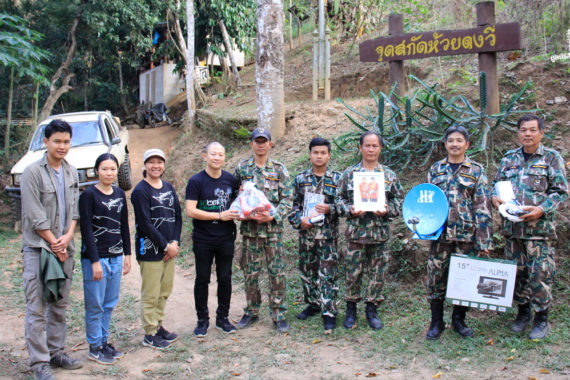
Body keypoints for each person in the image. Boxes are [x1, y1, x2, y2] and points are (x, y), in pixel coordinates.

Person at [491, 114, 568, 340]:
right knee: (517, 274)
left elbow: (560, 192)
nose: (528, 134)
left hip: (539, 232)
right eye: (524, 130)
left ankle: (541, 318)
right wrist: (495, 199)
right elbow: (497, 188)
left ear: (541, 133)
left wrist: (541, 209)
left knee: (540, 274)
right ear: (518, 133)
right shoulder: (508, 159)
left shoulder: (551, 158)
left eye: (533, 130)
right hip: (513, 231)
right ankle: (522, 313)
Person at [20, 119, 82, 380]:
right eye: (57, 141)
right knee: (37, 307)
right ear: (45, 142)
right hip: (38, 249)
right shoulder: (32, 172)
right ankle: (39, 364)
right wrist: (53, 242)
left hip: (65, 248)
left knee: (59, 303)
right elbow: (34, 215)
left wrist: (66, 237)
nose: (62, 146)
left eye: (66, 141)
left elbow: (75, 210)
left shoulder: (71, 171)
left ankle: (57, 352)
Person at [425, 125, 493, 340]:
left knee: (464, 279)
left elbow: (482, 207)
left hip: (466, 235)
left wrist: (484, 241)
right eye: (451, 140)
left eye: (459, 140)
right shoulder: (435, 170)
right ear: (445, 144)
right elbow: (426, 202)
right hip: (440, 235)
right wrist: (423, 230)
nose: (455, 144)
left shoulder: (476, 171)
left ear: (467, 145)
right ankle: (437, 322)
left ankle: (459, 320)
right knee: (436, 277)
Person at [336, 131, 403, 330]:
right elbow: (338, 200)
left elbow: (398, 201)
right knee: (352, 273)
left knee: (377, 273)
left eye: (375, 146)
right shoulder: (349, 174)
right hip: (356, 233)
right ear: (360, 148)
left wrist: (387, 210)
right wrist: (350, 210)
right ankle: (351, 309)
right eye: (367, 145)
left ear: (380, 148)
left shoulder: (388, 175)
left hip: (379, 234)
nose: (371, 149)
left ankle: (372, 309)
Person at [234, 127, 293, 333]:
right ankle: (251, 310)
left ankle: (279, 314)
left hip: (273, 232)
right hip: (250, 232)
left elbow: (288, 199)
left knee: (276, 274)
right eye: (256, 141)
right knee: (250, 273)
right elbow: (235, 198)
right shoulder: (242, 169)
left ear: (270, 144)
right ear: (251, 144)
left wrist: (274, 215)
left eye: (264, 141)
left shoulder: (279, 169)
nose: (260, 145)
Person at [79, 153, 131, 364]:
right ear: (96, 171)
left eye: (112, 169)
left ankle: (104, 341)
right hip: (97, 259)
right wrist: (93, 261)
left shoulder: (119, 193)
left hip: (116, 257)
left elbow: (124, 225)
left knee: (109, 303)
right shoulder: (88, 195)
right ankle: (94, 346)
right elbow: (86, 230)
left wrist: (127, 254)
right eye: (105, 169)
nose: (109, 173)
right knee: (95, 305)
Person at [185, 142, 240, 337]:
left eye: (220, 154)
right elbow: (191, 210)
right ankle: (202, 320)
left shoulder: (230, 180)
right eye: (213, 154)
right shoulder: (196, 181)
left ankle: (222, 318)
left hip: (226, 237)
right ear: (205, 156)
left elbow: (237, 204)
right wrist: (219, 216)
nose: (217, 158)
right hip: (203, 239)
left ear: (224, 157)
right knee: (202, 278)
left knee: (225, 278)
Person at [288, 137, 342, 332]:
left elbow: (345, 205)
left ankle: (329, 311)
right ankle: (312, 304)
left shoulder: (337, 179)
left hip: (328, 236)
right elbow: (292, 205)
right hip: (306, 235)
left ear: (328, 155)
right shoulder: (300, 179)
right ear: (309, 154)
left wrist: (330, 208)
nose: (319, 156)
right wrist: (298, 221)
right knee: (307, 271)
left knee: (328, 274)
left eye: (323, 153)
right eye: (315, 152)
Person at [131, 149, 182, 349]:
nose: (155, 166)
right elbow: (145, 224)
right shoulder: (140, 191)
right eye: (151, 162)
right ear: (145, 165)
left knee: (164, 290)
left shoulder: (168, 187)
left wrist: (175, 242)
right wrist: (165, 245)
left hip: (170, 248)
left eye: (159, 162)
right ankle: (150, 332)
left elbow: (178, 216)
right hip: (150, 249)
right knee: (151, 292)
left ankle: (159, 325)